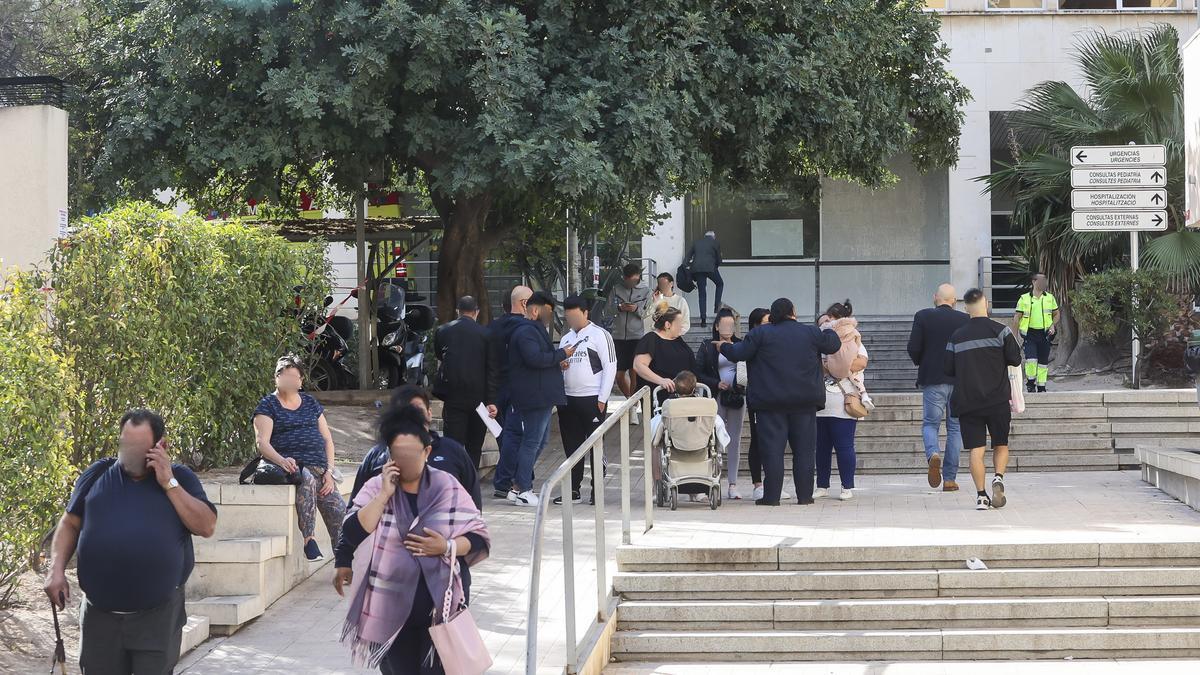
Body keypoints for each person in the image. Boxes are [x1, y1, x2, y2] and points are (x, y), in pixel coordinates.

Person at [44, 409, 217, 675]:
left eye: (139, 447)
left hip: (157, 617)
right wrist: (55, 570)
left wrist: (168, 483)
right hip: (99, 619)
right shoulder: (97, 475)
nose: (130, 454)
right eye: (126, 445)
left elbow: (206, 526)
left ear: (161, 445)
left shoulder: (180, 479)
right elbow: (69, 524)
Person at [334, 404, 490, 674]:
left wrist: (447, 546)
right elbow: (352, 531)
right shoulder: (375, 487)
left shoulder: (447, 486)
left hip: (438, 612)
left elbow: (478, 538)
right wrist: (383, 495)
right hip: (388, 614)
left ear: (427, 451)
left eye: (411, 454)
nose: (404, 461)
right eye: (398, 454)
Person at [718, 298, 840, 506]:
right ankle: (804, 496)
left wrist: (723, 347)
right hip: (804, 402)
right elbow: (833, 344)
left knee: (772, 451)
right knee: (804, 451)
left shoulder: (760, 334)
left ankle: (772, 497)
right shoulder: (810, 332)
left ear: (773, 315)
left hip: (770, 403)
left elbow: (739, 353)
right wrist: (828, 328)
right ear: (793, 312)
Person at [252, 355, 347, 561]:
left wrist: (329, 473)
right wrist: (282, 460)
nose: (290, 380)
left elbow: (327, 440)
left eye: (295, 377)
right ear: (277, 378)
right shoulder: (268, 405)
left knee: (339, 509)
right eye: (285, 375)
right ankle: (309, 541)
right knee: (307, 479)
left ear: (301, 381)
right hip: (289, 467)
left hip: (321, 470)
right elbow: (262, 443)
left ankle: (345, 560)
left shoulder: (311, 403)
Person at [945, 288, 1023, 511]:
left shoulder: (956, 336)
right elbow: (1015, 360)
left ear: (966, 307)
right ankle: (998, 477)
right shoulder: (1001, 331)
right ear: (986, 304)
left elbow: (948, 369)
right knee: (1001, 443)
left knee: (976, 451)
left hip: (968, 402)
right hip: (997, 400)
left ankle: (981, 496)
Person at [497, 291, 578, 506]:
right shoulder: (526, 331)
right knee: (532, 441)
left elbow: (537, 359)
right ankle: (524, 489)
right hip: (534, 395)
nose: (549, 316)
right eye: (548, 311)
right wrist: (562, 355)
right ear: (534, 310)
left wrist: (556, 361)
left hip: (539, 393)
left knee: (538, 440)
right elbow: (534, 359)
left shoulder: (533, 330)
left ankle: (517, 487)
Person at [349, 385, 482, 510]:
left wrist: (451, 535)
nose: (412, 417)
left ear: (429, 413)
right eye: (405, 411)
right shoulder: (377, 457)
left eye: (417, 410)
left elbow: (474, 516)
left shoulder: (453, 452)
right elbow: (352, 516)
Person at [907, 283, 970, 491]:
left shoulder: (923, 316)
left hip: (933, 378)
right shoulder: (964, 319)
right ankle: (950, 479)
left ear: (935, 298)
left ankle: (933, 453)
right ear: (954, 301)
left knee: (930, 424)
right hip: (959, 380)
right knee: (955, 428)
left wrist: (921, 362)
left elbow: (913, 347)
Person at [557, 295, 618, 505]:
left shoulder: (600, 335)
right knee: (571, 446)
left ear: (585, 313)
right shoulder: (565, 338)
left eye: (575, 315)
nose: (571, 320)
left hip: (592, 399)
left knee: (595, 445)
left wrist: (602, 398)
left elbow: (610, 366)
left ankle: (597, 491)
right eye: (568, 316)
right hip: (567, 400)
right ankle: (573, 490)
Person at [433, 295, 498, 469]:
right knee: (474, 446)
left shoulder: (443, 331)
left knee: (452, 445)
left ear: (457, 312)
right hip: (479, 399)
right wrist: (492, 400)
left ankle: (452, 479)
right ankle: (470, 482)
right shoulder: (486, 334)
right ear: (476, 312)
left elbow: (440, 355)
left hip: (453, 396)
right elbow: (492, 369)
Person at [815, 300, 867, 501]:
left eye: (829, 320)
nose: (826, 325)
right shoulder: (819, 342)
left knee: (844, 446)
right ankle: (822, 485)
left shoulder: (854, 339)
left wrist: (834, 365)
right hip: (821, 401)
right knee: (821, 448)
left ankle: (847, 486)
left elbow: (861, 362)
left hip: (844, 401)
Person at [696, 309, 747, 500]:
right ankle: (710, 480)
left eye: (731, 325)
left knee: (734, 439)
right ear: (716, 326)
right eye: (724, 325)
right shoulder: (708, 346)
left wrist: (737, 384)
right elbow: (698, 371)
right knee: (712, 439)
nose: (728, 328)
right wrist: (715, 383)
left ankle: (732, 484)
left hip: (736, 397)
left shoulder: (741, 345)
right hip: (715, 396)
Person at [489, 285, 532, 498]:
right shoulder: (526, 328)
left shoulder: (493, 327)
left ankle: (516, 476)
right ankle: (507, 479)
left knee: (504, 435)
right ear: (524, 303)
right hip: (518, 387)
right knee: (516, 436)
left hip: (495, 388)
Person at [742, 308, 779, 501]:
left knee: (775, 440)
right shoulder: (752, 341)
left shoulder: (775, 341)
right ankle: (758, 484)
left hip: (775, 395)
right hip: (758, 396)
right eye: (765, 323)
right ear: (755, 325)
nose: (770, 326)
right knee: (757, 439)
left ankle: (773, 483)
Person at [609, 263, 652, 421]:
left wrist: (636, 310)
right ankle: (630, 401)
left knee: (634, 372)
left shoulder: (646, 291)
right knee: (619, 374)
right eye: (628, 281)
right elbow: (608, 309)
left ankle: (633, 408)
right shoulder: (616, 289)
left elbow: (649, 313)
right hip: (618, 336)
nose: (631, 284)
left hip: (637, 336)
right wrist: (619, 308)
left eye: (634, 281)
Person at [634, 304, 696, 408]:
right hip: (659, 398)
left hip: (683, 397)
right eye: (679, 323)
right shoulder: (651, 339)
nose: (681, 326)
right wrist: (661, 381)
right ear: (668, 325)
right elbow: (639, 365)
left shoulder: (678, 340)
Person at [1013, 273, 1060, 393]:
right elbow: (1017, 317)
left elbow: (1057, 314)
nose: (1044, 283)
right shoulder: (1024, 298)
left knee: (1043, 362)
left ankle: (1042, 386)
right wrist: (1014, 336)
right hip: (1030, 334)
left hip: (1045, 334)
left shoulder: (1049, 297)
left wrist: (1052, 325)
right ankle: (1030, 382)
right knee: (1031, 360)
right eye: (1041, 280)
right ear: (1034, 282)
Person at [687, 231, 724, 328]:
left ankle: (703, 319)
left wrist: (686, 269)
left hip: (697, 270)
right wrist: (715, 266)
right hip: (710, 268)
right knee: (720, 284)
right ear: (713, 236)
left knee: (702, 294)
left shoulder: (697, 242)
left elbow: (688, 257)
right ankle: (717, 306)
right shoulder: (715, 243)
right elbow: (719, 259)